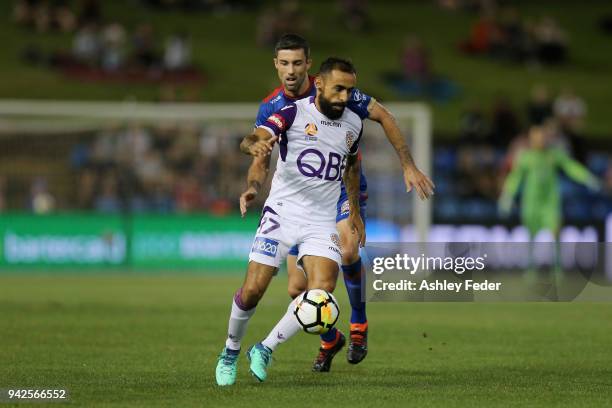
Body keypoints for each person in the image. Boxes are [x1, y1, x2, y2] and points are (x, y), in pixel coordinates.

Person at [239, 34, 433, 370]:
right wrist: (254, 184)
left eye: (297, 63)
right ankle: (331, 338)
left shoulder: (337, 89)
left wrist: (407, 164)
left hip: (341, 186)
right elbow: (261, 153)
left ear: (309, 66)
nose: (290, 70)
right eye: (284, 63)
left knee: (347, 249)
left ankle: (359, 324)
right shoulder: (272, 107)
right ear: (276, 65)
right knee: (297, 289)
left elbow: (384, 115)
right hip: (299, 200)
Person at [216, 57, 366, 386]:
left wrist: (353, 210)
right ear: (322, 85)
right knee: (254, 290)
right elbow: (256, 137)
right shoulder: (293, 113)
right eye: (339, 88)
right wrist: (254, 143)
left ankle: (265, 348)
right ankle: (229, 351)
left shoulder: (354, 124)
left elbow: (352, 166)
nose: (345, 97)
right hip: (282, 212)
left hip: (321, 220)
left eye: (350, 90)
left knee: (322, 292)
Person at [498, 125, 599, 272]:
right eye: (536, 138)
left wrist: (587, 177)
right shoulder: (525, 157)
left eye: (542, 137)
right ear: (531, 140)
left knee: (555, 233)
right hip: (531, 204)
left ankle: (558, 269)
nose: (540, 141)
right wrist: (506, 196)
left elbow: (571, 167)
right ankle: (530, 270)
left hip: (550, 203)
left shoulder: (554, 155)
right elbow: (515, 177)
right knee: (531, 237)